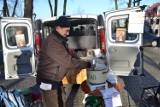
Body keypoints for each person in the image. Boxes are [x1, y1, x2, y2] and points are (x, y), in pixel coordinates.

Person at [36, 16, 95, 107]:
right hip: (48, 81)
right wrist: (87, 64)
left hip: (56, 80)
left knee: (62, 101)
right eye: (66, 30)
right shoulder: (52, 41)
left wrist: (74, 55)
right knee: (53, 104)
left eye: (69, 31)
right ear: (58, 28)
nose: (68, 33)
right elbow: (69, 63)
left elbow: (67, 54)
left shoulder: (59, 39)